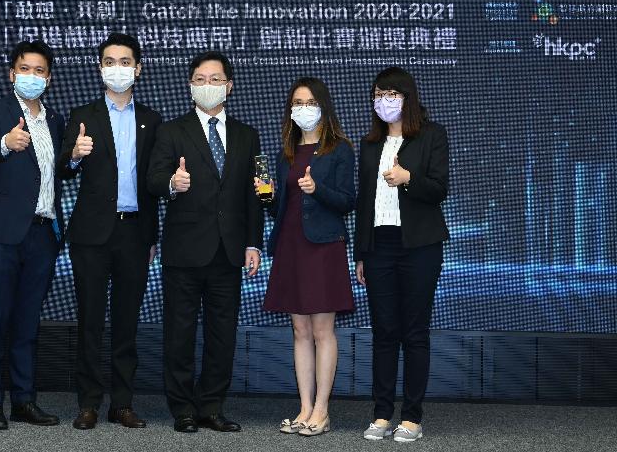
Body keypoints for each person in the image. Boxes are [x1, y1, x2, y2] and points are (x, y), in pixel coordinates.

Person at [147, 51, 263, 433]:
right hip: (184, 249)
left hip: (228, 251)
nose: (208, 86)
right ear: (190, 85)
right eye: (200, 78)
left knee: (222, 333)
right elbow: (153, 179)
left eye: (216, 79)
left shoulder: (248, 134)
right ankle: (181, 407)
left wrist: (253, 243)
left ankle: (211, 406)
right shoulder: (171, 130)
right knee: (179, 332)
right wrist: (171, 184)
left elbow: (254, 195)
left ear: (229, 86)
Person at [57, 33, 161, 431]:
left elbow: (154, 183)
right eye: (109, 61)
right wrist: (75, 155)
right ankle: (87, 403)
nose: (116, 68)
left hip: (134, 233)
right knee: (90, 321)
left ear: (138, 68)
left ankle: (122, 403)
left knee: (126, 323)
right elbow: (64, 170)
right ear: (100, 67)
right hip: (91, 236)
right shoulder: (83, 114)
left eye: (124, 61)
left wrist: (152, 236)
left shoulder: (152, 119)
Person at [0, 40, 65, 430]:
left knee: (28, 323)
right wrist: (6, 144)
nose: (31, 76)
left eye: (39, 70)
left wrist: (73, 157)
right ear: (11, 74)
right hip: (1, 233)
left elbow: (56, 173)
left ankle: (25, 400)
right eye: (24, 69)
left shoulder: (55, 120)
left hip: (42, 233)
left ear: (49, 78)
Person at [354, 67, 449, 443]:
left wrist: (409, 179)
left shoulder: (431, 135)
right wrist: (362, 252)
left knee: (414, 332)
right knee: (384, 332)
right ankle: (381, 414)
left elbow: (439, 188)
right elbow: (363, 203)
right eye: (378, 94)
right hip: (379, 246)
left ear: (407, 98)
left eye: (391, 94)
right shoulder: (369, 143)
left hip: (420, 246)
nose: (384, 101)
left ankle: (411, 417)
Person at [256, 77, 355, 437]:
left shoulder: (340, 149)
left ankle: (322, 410)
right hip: (291, 246)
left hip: (324, 246)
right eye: (297, 102)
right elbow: (280, 209)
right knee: (299, 329)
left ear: (323, 106)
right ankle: (304, 407)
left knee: (321, 330)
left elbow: (347, 200)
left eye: (310, 101)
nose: (303, 108)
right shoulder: (286, 152)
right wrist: (265, 197)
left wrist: (319, 189)